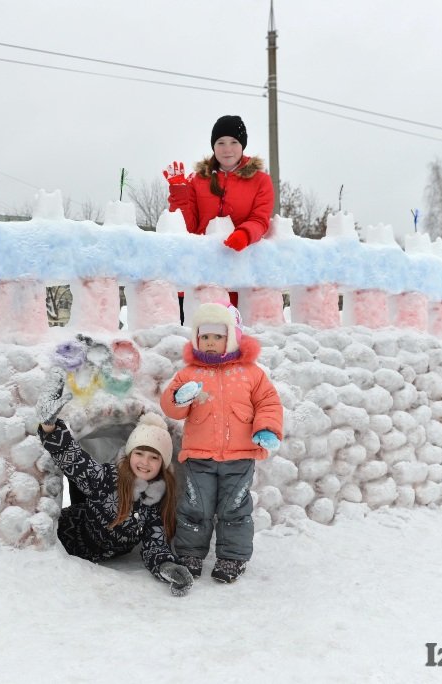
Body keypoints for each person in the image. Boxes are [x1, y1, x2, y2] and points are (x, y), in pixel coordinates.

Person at [36, 369, 194, 596]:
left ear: (163, 464)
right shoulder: (108, 478)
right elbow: (73, 459)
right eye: (140, 453)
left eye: (154, 457)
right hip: (72, 536)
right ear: (129, 454)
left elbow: (155, 543)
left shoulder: (156, 501)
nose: (145, 462)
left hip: (107, 554)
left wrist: (166, 566)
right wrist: (50, 426)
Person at [159, 302, 284, 583]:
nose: (211, 342)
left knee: (235, 508)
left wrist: (266, 429)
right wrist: (180, 398)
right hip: (199, 456)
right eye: (205, 337)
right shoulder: (189, 373)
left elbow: (268, 402)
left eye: (218, 336)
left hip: (240, 457)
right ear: (196, 339)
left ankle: (232, 557)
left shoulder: (251, 373)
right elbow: (171, 406)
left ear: (232, 337)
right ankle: (190, 553)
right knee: (194, 507)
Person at [163, 115, 275, 321]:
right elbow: (190, 227)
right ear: (213, 146)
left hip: (240, 273)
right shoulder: (198, 180)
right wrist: (179, 194)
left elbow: (261, 219)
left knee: (235, 341)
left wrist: (245, 234)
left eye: (234, 142)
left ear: (243, 145)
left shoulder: (260, 181)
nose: (227, 148)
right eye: (220, 142)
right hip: (202, 274)